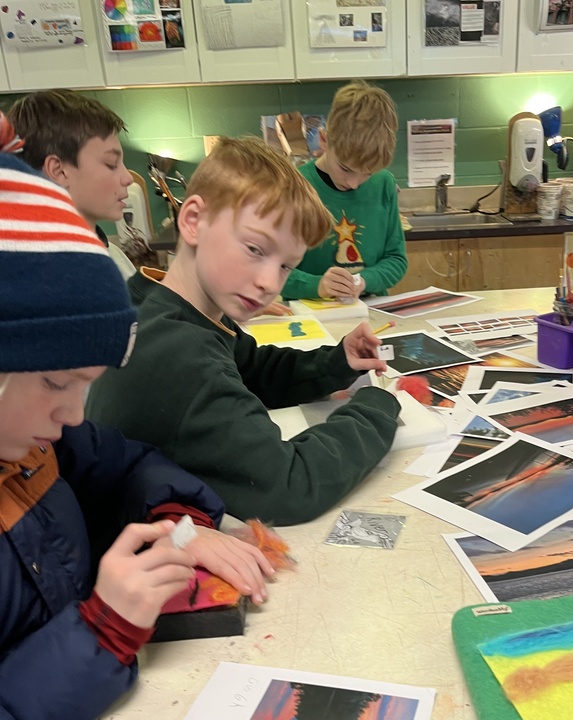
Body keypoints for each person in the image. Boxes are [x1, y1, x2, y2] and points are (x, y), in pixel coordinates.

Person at [0, 152, 411, 720]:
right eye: (60, 384)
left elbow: (122, 458)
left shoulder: (29, 434)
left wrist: (201, 519)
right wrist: (102, 629)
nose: (78, 412)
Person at [86, 136, 401, 527]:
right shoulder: (179, 352)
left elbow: (251, 368)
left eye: (286, 266)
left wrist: (336, 362)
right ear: (193, 221)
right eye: (255, 249)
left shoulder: (161, 303)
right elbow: (290, 486)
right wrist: (377, 406)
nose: (271, 282)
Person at [280, 80, 407, 303]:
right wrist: (316, 285)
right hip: (310, 316)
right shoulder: (295, 186)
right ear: (324, 140)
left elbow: (396, 259)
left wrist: (364, 280)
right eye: (346, 169)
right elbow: (272, 268)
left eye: (368, 173)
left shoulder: (384, 184)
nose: (354, 183)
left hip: (370, 310)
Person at [7, 89, 138, 279]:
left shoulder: (111, 255)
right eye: (111, 164)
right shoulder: (48, 278)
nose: (128, 178)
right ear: (59, 171)